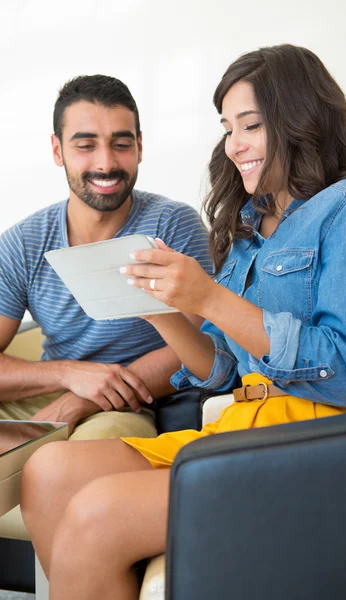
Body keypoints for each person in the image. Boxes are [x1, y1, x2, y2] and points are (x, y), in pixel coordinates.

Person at [21, 44, 346, 599]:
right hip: (251, 422)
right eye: (227, 127)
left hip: (336, 434)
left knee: (97, 516)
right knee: (47, 472)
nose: (233, 145)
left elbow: (342, 372)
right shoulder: (250, 225)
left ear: (298, 119)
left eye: (250, 125)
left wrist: (210, 298)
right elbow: (221, 370)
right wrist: (160, 310)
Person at [0, 74, 212, 441]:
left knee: (68, 462)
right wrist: (68, 375)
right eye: (86, 145)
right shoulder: (22, 243)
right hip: (45, 393)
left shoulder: (174, 225)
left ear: (140, 147)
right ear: (57, 150)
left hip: (131, 402)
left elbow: (199, 348)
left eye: (121, 143)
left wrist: (87, 399)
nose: (106, 162)